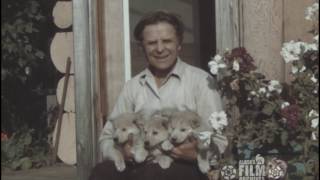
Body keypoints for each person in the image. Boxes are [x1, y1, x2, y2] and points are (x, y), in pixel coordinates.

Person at [89, 10, 223, 180]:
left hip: (184, 167)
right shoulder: (133, 86)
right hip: (139, 162)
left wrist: (196, 152)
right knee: (101, 173)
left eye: (167, 41)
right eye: (152, 43)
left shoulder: (201, 81)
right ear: (142, 47)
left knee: (154, 174)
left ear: (179, 44)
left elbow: (218, 137)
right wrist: (123, 151)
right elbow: (107, 137)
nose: (160, 49)